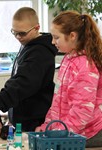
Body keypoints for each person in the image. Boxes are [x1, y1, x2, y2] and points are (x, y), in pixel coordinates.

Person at [0, 7, 57, 131]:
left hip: (35, 120)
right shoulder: (28, 45)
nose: (18, 37)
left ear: (37, 27)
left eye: (22, 33)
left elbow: (22, 82)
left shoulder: (40, 53)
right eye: (14, 32)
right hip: (24, 119)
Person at [35, 11, 102, 147]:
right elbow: (57, 101)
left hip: (89, 131)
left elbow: (82, 111)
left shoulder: (85, 66)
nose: (53, 42)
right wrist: (47, 127)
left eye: (56, 37)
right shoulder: (68, 59)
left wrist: (59, 134)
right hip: (70, 130)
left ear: (72, 36)